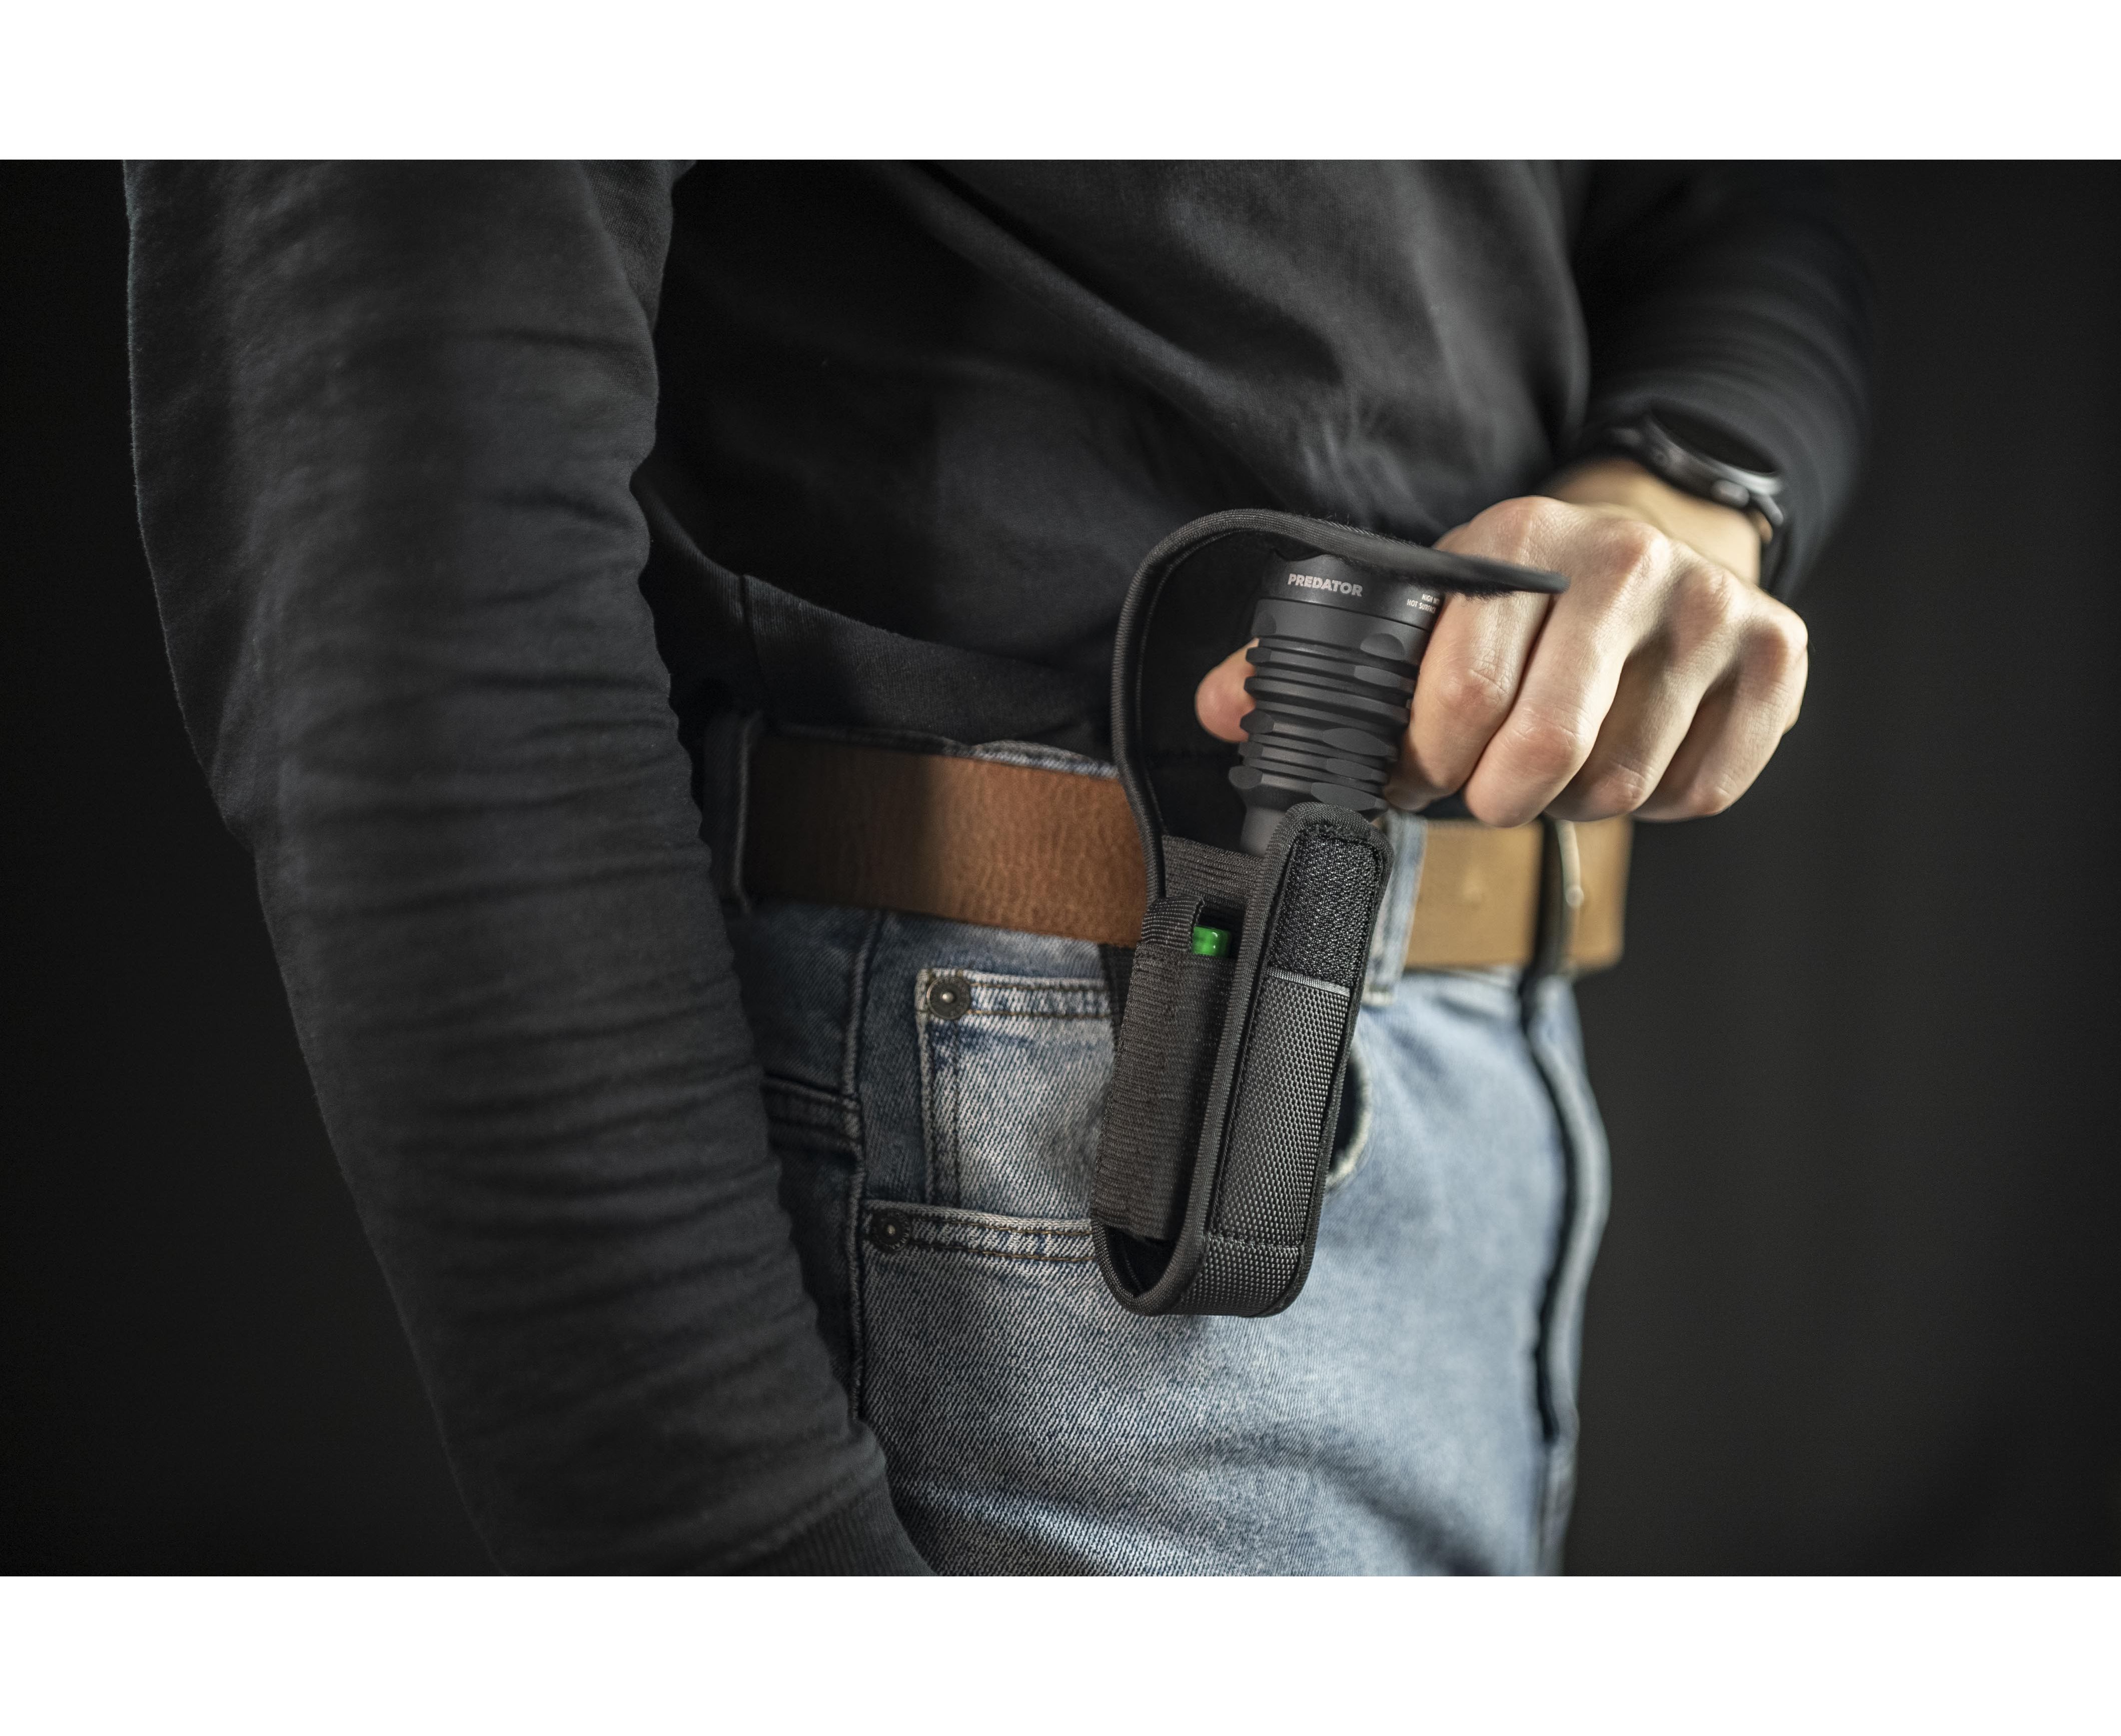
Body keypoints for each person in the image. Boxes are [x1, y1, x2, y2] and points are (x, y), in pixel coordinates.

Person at [126, 163, 1870, 1573]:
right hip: (1008, 1145)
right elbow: (413, 601)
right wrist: (739, 1556)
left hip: (1462, 1098)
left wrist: (1682, 488)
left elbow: (1730, 202)